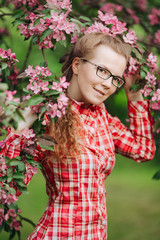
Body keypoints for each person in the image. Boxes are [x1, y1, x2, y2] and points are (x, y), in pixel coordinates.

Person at [3, 32, 156, 239]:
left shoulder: (102, 118)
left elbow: (143, 151)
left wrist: (135, 93)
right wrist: (20, 130)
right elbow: (8, 189)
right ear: (76, 65)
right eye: (102, 70)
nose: (108, 84)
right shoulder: (49, 117)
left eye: (116, 78)